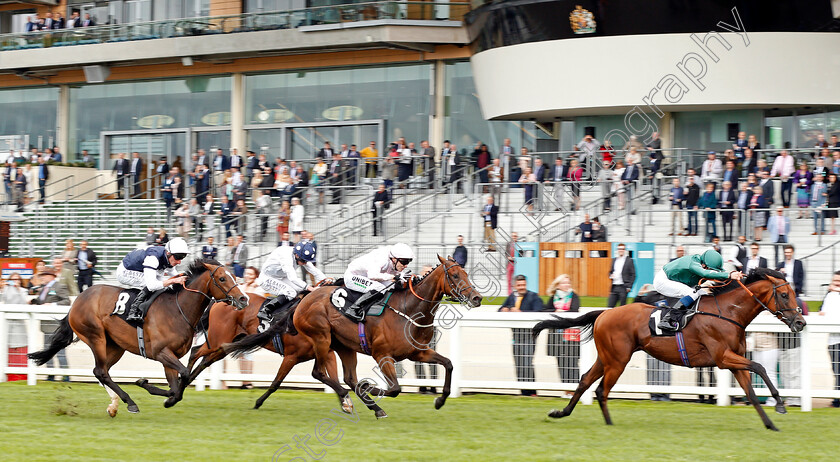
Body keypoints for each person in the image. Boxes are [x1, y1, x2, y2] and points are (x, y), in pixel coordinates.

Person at [655, 249, 743, 331]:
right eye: (711, 269)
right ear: (704, 265)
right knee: (690, 293)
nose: (713, 271)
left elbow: (716, 274)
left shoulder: (703, 264)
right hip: (663, 281)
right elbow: (704, 273)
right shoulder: (693, 264)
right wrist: (729, 275)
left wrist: (733, 275)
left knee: (704, 295)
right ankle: (666, 320)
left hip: (676, 280)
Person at [116, 238, 189, 324]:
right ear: (168, 253)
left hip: (139, 269)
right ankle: (133, 311)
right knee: (153, 284)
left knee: (162, 283)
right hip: (125, 271)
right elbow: (151, 285)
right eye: (178, 257)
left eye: (182, 257)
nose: (179, 262)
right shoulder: (153, 258)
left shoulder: (167, 256)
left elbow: (173, 273)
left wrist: (185, 278)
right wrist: (174, 281)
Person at [342, 243, 414, 323]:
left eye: (408, 262)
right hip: (352, 276)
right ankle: (353, 308)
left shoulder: (393, 259)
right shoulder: (381, 259)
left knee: (392, 286)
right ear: (394, 259)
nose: (406, 265)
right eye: (404, 262)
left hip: (366, 276)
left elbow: (394, 276)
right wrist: (392, 277)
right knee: (380, 288)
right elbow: (372, 275)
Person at [256, 242, 324, 327]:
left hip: (281, 277)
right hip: (267, 278)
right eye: (303, 261)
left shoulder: (299, 255)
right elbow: (292, 278)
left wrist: (326, 279)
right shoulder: (285, 256)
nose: (305, 263)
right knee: (290, 292)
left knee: (299, 289)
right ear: (297, 256)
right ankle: (265, 310)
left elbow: (314, 270)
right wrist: (311, 288)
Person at [500, 274, 543, 396]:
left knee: (527, 363)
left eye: (523, 285)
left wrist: (521, 312)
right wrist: (504, 310)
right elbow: (500, 309)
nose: (521, 287)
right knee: (518, 363)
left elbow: (539, 311)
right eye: (519, 285)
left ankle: (532, 392)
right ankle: (523, 391)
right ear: (515, 286)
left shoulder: (533, 296)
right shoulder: (512, 297)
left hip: (529, 336)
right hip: (516, 336)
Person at [544, 274, 581, 385]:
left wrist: (561, 313)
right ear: (558, 285)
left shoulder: (573, 296)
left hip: (571, 333)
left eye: (568, 283)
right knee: (560, 361)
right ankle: (566, 388)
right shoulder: (553, 298)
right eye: (564, 283)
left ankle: (576, 388)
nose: (566, 285)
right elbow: (545, 310)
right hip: (557, 335)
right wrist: (555, 312)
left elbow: (574, 310)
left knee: (572, 361)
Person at [819, 270, 840, 407]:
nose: (836, 284)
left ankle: (837, 399)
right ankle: (837, 397)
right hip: (833, 340)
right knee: (836, 370)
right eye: (835, 281)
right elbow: (823, 312)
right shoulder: (830, 296)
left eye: (839, 282)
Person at [607, 243, 635, 308]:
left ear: (625, 250)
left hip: (623, 287)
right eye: (619, 249)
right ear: (617, 250)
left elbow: (633, 274)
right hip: (614, 286)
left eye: (622, 249)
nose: (621, 250)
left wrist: (629, 286)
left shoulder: (629, 261)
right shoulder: (614, 260)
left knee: (622, 307)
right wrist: (611, 275)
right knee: (610, 306)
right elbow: (610, 271)